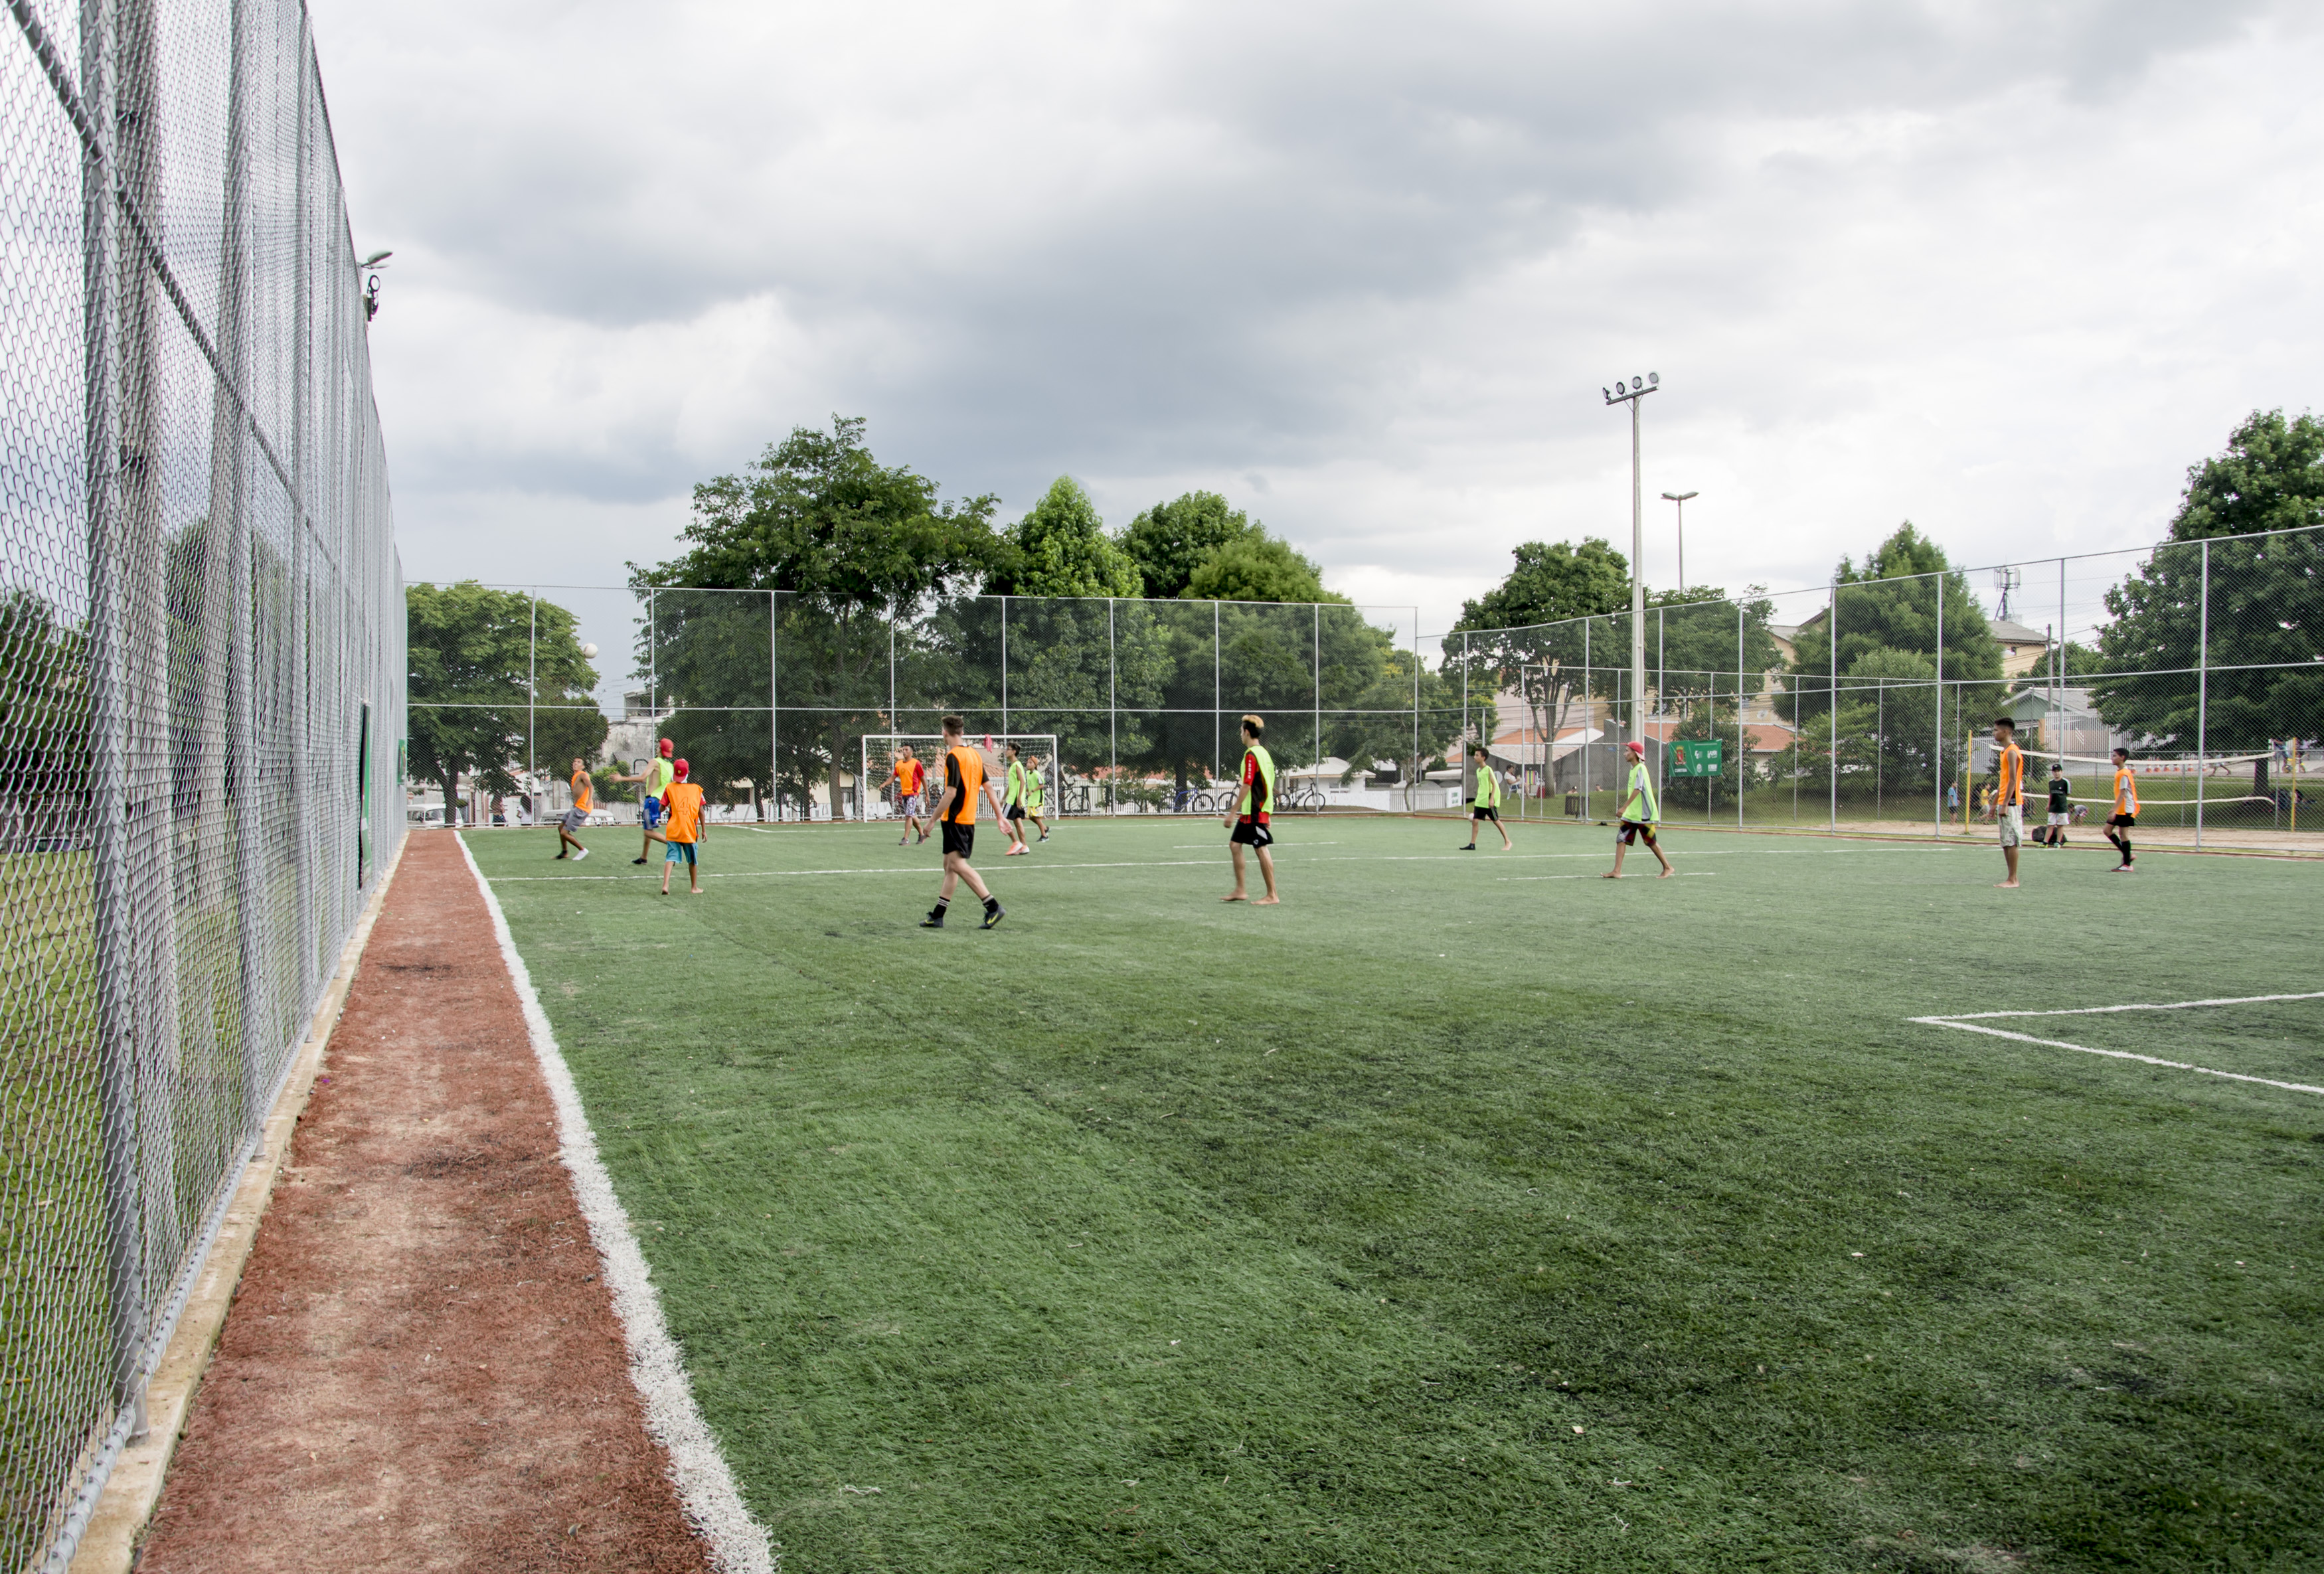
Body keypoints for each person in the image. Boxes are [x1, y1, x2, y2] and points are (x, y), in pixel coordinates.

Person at [922, 716, 1008, 929]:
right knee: (949, 866)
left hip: (955, 820)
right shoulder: (974, 755)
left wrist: (931, 820)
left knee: (958, 865)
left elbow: (950, 793)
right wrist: (999, 816)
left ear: (945, 732)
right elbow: (988, 788)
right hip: (967, 820)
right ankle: (938, 915)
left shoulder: (953, 756)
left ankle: (993, 906)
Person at [1220, 714, 1280, 904]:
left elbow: (1247, 785)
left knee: (1260, 849)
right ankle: (1240, 890)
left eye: (1241, 731)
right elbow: (1269, 782)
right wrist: (1268, 812)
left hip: (1254, 810)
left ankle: (1272, 895)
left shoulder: (1252, 754)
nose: (1240, 735)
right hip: (1253, 811)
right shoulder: (1264, 753)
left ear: (1246, 732)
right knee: (1235, 845)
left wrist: (1231, 812)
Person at [1604, 740, 1673, 878]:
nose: (1625, 754)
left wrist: (1624, 807)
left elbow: (1638, 789)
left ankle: (1668, 867)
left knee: (1650, 842)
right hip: (1632, 815)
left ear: (1635, 754)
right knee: (1621, 839)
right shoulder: (1634, 769)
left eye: (1627, 751)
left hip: (1643, 814)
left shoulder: (1641, 769)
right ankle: (1617, 871)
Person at [616, 739, 676, 864]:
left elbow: (643, 778)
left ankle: (673, 844)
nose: (657, 748)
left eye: (658, 747)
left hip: (651, 801)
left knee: (648, 832)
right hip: (661, 801)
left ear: (660, 749)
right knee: (648, 829)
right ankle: (644, 857)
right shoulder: (670, 766)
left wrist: (622, 778)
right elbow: (670, 785)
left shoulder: (654, 762)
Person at [658, 757, 706, 896]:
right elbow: (701, 812)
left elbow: (662, 808)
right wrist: (704, 830)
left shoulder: (669, 788)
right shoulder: (697, 790)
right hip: (689, 831)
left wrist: (658, 810)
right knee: (692, 860)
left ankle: (666, 885)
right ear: (688, 772)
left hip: (674, 829)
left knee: (670, 857)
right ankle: (694, 887)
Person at [1992, 716, 2025, 888]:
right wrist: (1995, 803)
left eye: (1996, 730)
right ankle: (2010, 877)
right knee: (2006, 841)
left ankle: (2013, 879)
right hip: (2004, 801)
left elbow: (2013, 780)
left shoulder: (2012, 751)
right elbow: (2003, 782)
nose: (1994, 733)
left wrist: (2004, 804)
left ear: (2005, 732)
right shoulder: (2004, 752)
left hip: (2011, 803)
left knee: (2011, 840)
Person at [1459, 744, 1512, 851]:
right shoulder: (1478, 771)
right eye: (1475, 755)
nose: (1475, 757)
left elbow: (1494, 785)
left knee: (1496, 820)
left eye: (1477, 755)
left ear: (1483, 758)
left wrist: (1492, 799)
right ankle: (1472, 844)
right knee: (1475, 821)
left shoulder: (1488, 769)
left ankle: (1508, 842)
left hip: (1488, 800)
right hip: (1480, 800)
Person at [887, 744, 931, 846]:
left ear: (911, 752)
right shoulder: (899, 764)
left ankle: (906, 839)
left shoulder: (916, 763)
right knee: (911, 815)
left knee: (908, 816)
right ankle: (922, 834)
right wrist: (885, 784)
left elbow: (923, 779)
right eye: (903, 750)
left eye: (906, 750)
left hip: (913, 794)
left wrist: (927, 795)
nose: (904, 752)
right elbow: (893, 777)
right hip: (904, 794)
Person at [2105, 746, 2139, 872]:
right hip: (2121, 808)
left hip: (2126, 808)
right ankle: (2128, 855)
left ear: (2122, 758)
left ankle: (2127, 864)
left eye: (2115, 756)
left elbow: (2123, 793)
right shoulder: (2120, 772)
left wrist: (2114, 809)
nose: (2112, 758)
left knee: (2123, 834)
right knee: (2107, 830)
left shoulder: (2124, 773)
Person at [556, 757, 592, 860]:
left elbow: (591, 786)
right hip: (576, 807)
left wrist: (590, 799)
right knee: (560, 827)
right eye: (574, 761)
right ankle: (565, 852)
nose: (575, 763)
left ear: (583, 766)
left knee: (564, 832)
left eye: (579, 762)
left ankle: (582, 850)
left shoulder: (582, 775)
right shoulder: (575, 776)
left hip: (582, 808)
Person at [1001, 742, 1032, 856]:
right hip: (1013, 798)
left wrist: (1019, 798)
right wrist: (1003, 798)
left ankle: (1016, 843)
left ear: (1014, 752)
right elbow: (1012, 785)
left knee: (1003, 820)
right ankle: (1024, 846)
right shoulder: (1013, 766)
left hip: (1014, 799)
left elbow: (1022, 781)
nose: (1006, 751)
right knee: (1018, 822)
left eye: (1008, 749)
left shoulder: (1017, 765)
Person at [1023, 751, 1051, 842]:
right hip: (1031, 799)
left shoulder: (1036, 774)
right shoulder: (1028, 773)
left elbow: (1041, 785)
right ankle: (1045, 828)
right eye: (1027, 762)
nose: (1028, 764)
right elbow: (1030, 785)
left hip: (1037, 799)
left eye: (1031, 763)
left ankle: (1044, 836)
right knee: (1031, 817)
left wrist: (1032, 791)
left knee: (1036, 817)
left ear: (1035, 765)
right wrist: (1026, 790)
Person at [2041, 761, 2071, 847]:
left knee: (2060, 825)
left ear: (2061, 772)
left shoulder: (2065, 782)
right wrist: (2048, 804)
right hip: (2053, 807)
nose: (2056, 773)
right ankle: (2045, 842)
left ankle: (2058, 842)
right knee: (2050, 825)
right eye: (2055, 771)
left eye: (2058, 771)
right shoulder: (2051, 782)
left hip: (2061, 807)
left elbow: (2067, 793)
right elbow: (2051, 794)